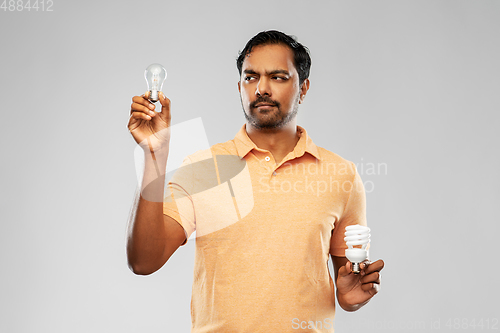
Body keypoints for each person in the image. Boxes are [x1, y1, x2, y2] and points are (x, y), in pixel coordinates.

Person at [126, 30, 385, 332]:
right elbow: (144, 261)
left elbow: (349, 285)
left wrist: (352, 297)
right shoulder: (204, 168)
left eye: (278, 77)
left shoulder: (341, 175)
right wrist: (154, 157)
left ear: (303, 88)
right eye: (251, 78)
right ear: (239, 87)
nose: (262, 88)